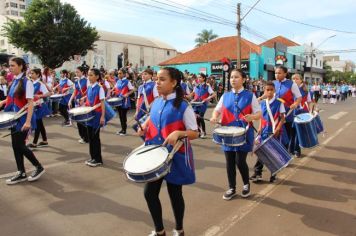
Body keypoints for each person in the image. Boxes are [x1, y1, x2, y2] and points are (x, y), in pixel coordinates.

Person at [138, 67, 199, 236]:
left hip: (175, 157)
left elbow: (195, 132)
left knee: (175, 194)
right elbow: (153, 117)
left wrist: (180, 133)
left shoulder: (183, 106)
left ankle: (179, 228)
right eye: (157, 79)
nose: (157, 82)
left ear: (174, 83)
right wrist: (144, 126)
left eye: (162, 79)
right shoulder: (157, 101)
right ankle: (160, 231)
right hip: (155, 155)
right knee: (149, 193)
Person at [210, 69, 261, 200]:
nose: (233, 79)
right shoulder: (225, 96)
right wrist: (214, 117)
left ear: (243, 79)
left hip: (243, 133)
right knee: (229, 162)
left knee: (240, 161)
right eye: (231, 77)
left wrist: (252, 117)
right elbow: (217, 110)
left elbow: (259, 113)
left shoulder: (250, 95)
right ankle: (231, 187)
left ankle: (245, 184)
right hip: (227, 134)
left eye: (236, 77)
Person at [0, 57, 45, 185]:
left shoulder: (27, 82)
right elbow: (10, 98)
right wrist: (2, 103)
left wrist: (28, 122)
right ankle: (21, 172)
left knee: (20, 145)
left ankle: (38, 166)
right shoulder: (14, 80)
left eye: (13, 65)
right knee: (15, 146)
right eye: (10, 65)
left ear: (21, 66)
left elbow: (30, 103)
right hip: (14, 118)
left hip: (23, 118)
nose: (10, 68)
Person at [250, 81, 287, 183]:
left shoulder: (279, 102)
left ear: (274, 90)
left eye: (271, 90)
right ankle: (258, 173)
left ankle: (273, 175)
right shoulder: (262, 103)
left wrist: (278, 128)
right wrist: (259, 128)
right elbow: (262, 118)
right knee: (261, 152)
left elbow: (283, 118)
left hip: (275, 132)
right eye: (267, 90)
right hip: (264, 131)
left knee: (273, 153)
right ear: (264, 91)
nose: (269, 92)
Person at [263, 66, 301, 158]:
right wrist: (260, 98)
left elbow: (299, 97)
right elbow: (267, 94)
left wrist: (295, 104)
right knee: (274, 135)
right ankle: (276, 156)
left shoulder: (291, 84)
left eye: (279, 73)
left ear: (285, 73)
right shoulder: (273, 83)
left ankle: (285, 156)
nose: (277, 75)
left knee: (286, 137)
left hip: (287, 115)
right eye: (276, 73)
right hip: (274, 115)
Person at [83, 68, 107, 167]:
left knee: (95, 138)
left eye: (91, 75)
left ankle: (98, 159)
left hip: (96, 115)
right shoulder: (89, 87)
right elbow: (88, 101)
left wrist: (102, 116)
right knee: (90, 138)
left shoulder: (99, 88)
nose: (89, 77)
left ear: (97, 77)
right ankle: (93, 157)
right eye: (88, 75)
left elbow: (102, 103)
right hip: (89, 115)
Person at [27, 68, 51, 149]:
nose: (31, 75)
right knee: (40, 124)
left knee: (37, 123)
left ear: (37, 74)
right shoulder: (32, 83)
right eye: (30, 73)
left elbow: (48, 93)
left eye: (32, 73)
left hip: (39, 106)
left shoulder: (40, 84)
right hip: (34, 106)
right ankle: (44, 141)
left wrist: (39, 96)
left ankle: (34, 143)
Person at [189, 73, 216, 138]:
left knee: (201, 118)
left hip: (203, 104)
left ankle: (203, 132)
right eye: (198, 77)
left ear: (204, 78)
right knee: (196, 118)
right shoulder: (196, 86)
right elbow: (192, 94)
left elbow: (213, 94)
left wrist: (207, 98)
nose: (198, 78)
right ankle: (199, 132)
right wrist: (189, 97)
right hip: (195, 104)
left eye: (200, 77)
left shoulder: (207, 86)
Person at [68, 66, 90, 144]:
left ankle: (87, 137)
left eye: (77, 72)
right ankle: (82, 136)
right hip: (77, 102)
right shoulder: (76, 81)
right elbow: (74, 92)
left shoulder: (87, 80)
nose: (76, 73)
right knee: (78, 120)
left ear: (82, 72)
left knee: (84, 120)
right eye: (76, 72)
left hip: (84, 103)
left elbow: (89, 92)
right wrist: (70, 100)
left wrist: (83, 98)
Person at [114, 68, 135, 136]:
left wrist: (127, 94)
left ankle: (124, 130)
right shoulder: (118, 81)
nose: (119, 74)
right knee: (120, 115)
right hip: (118, 101)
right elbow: (115, 89)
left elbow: (132, 90)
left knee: (123, 116)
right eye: (118, 73)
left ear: (124, 74)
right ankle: (122, 129)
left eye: (120, 73)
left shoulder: (127, 81)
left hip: (125, 101)